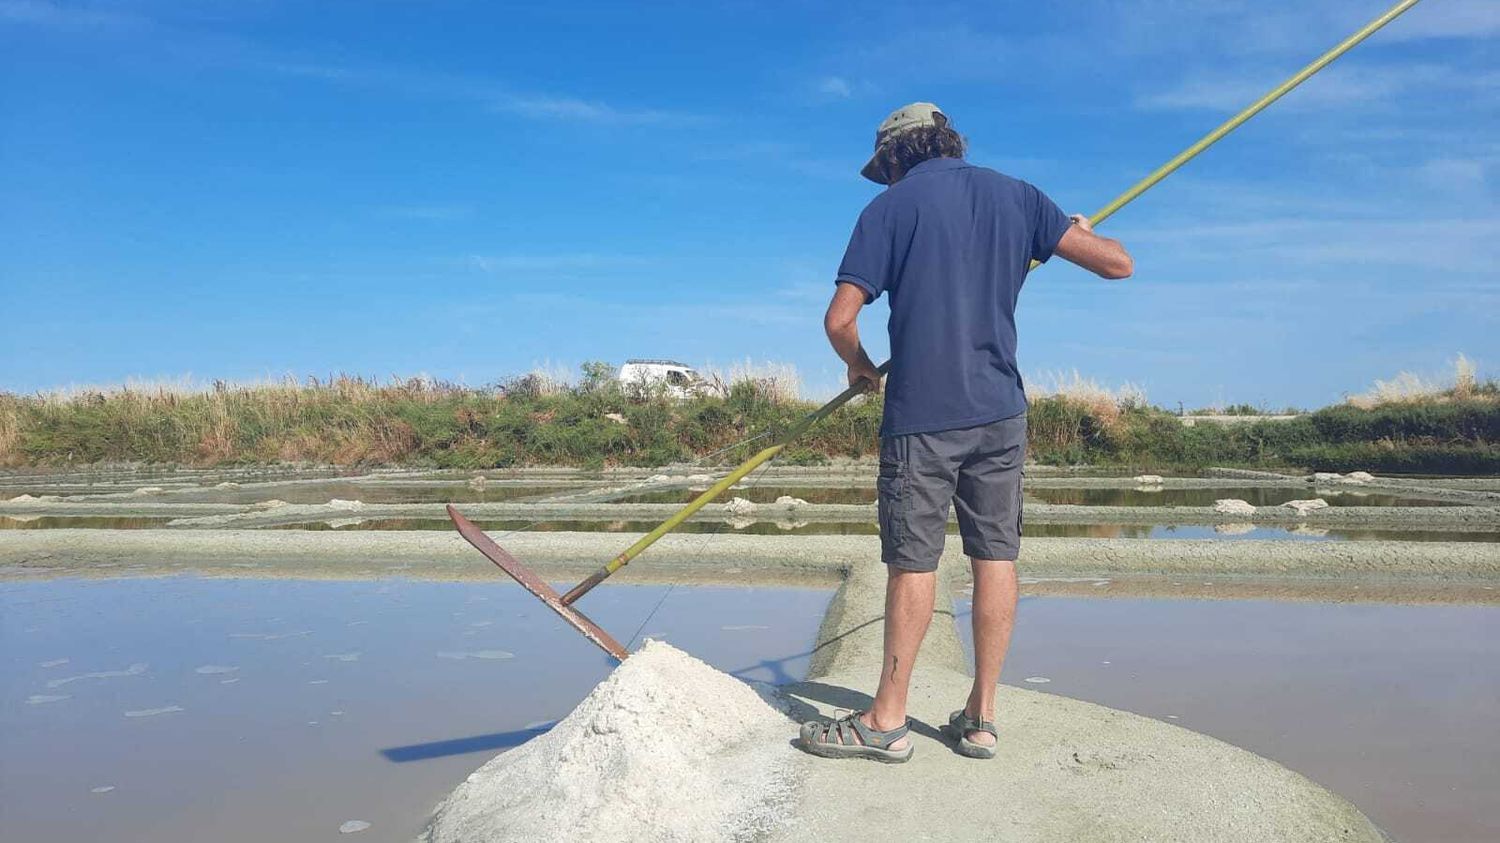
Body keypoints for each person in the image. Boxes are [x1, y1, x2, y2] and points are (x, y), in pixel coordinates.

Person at [799, 103, 1132, 762]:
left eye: (884, 168)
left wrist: (861, 368)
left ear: (896, 156)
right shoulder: (1018, 196)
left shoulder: (889, 211)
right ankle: (981, 716)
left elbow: (840, 319)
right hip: (1001, 412)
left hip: (923, 415)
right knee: (995, 557)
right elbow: (1116, 263)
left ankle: (887, 720)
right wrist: (1073, 231)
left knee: (913, 562)